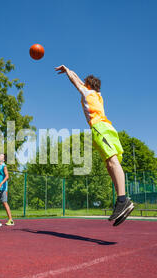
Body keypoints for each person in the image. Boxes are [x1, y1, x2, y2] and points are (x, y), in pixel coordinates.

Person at [55, 65, 134, 226]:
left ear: (88, 85)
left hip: (99, 128)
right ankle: (122, 200)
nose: (82, 83)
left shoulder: (87, 92)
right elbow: (78, 79)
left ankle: (122, 200)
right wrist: (70, 69)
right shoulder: (98, 95)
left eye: (85, 82)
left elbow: (75, 81)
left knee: (112, 162)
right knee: (109, 164)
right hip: (108, 128)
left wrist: (67, 72)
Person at [0, 153, 14, 226]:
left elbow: (7, 176)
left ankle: (10, 220)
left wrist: (0, 184)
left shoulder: (4, 166)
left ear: (3, 159)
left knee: (4, 203)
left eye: (1, 156)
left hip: (3, 188)